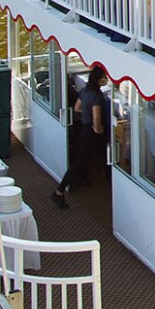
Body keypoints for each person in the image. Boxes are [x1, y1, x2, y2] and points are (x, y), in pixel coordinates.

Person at [50, 64, 109, 208]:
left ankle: (72, 185)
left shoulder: (85, 91)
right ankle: (59, 191)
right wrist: (98, 128)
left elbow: (77, 108)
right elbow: (96, 117)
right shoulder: (96, 96)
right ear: (99, 80)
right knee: (89, 161)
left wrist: (86, 116)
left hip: (84, 130)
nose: (106, 80)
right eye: (104, 78)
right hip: (92, 133)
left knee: (98, 159)